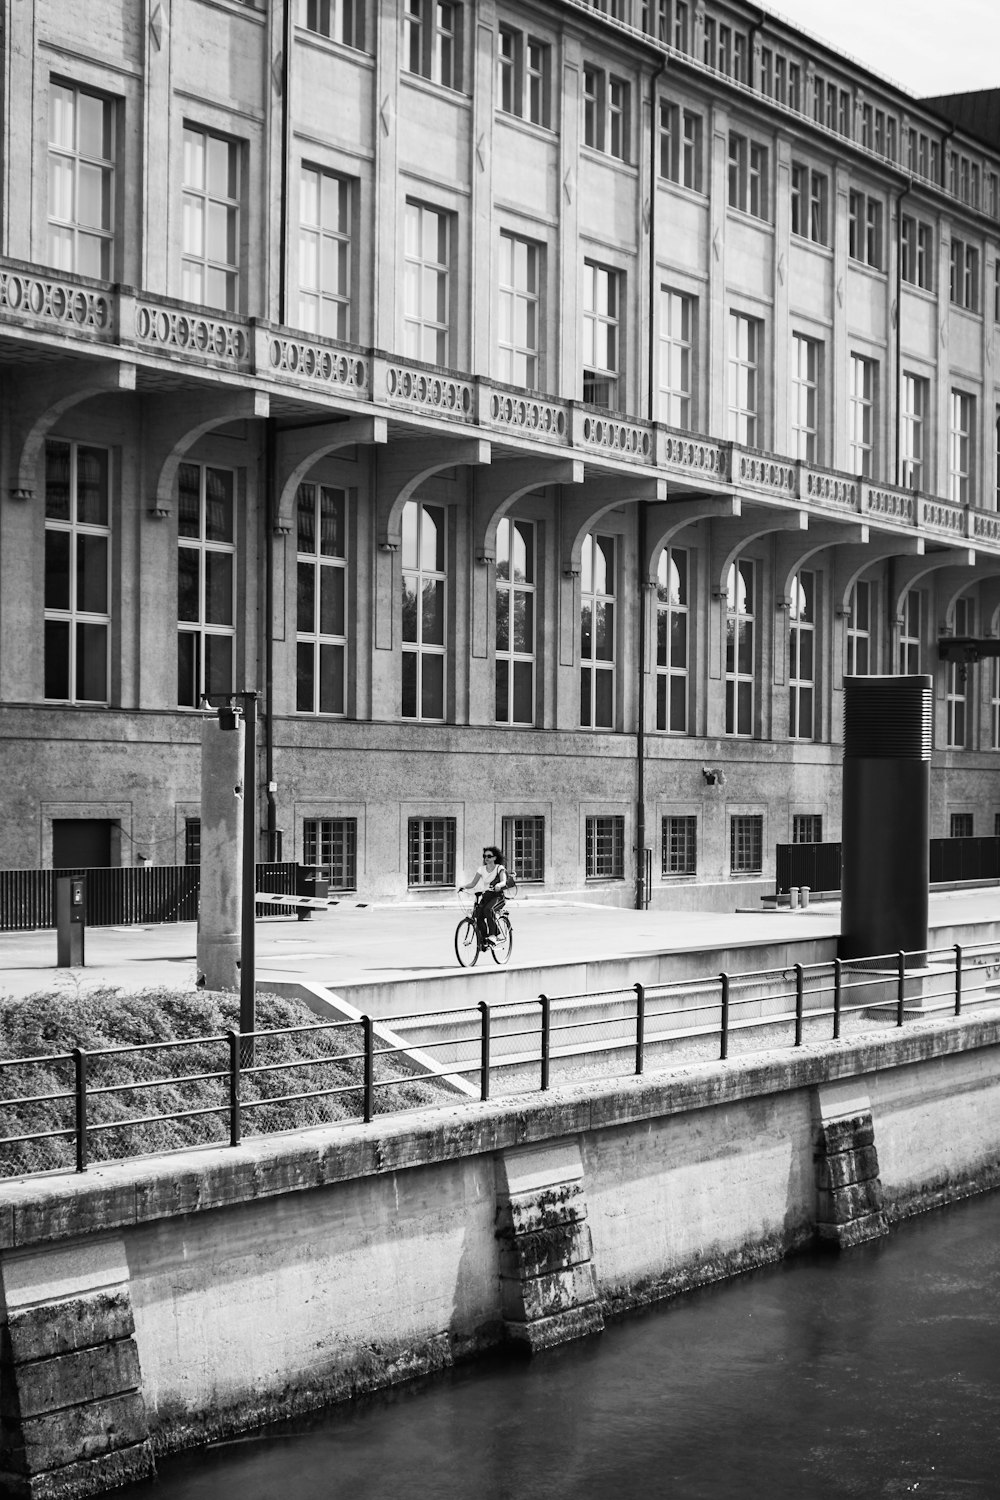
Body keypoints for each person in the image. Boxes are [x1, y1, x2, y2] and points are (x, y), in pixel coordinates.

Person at [458, 846, 507, 942]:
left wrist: (498, 885)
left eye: (489, 856)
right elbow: (473, 883)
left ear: (495, 858)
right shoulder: (481, 869)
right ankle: (484, 939)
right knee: (478, 916)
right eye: (484, 856)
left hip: (498, 897)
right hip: (487, 896)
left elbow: (504, 881)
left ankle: (493, 935)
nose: (486, 858)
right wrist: (463, 887)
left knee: (489, 910)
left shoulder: (499, 868)